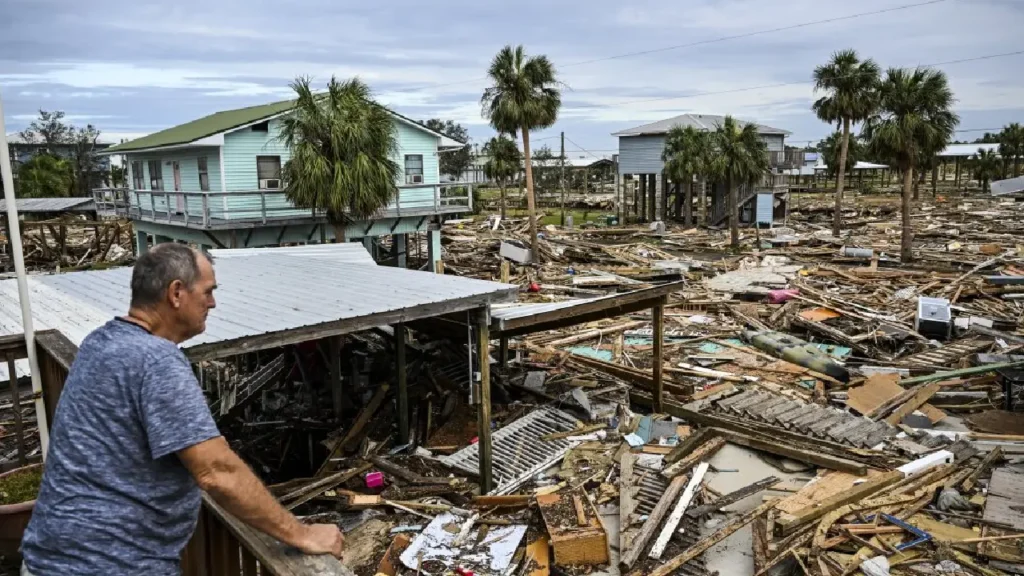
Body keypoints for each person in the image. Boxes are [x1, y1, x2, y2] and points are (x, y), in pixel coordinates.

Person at [21, 243, 344, 575]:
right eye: (207, 291)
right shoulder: (156, 360)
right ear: (176, 293)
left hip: (48, 557)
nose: (213, 303)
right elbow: (216, 471)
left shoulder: (99, 342)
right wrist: (302, 534)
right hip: (109, 565)